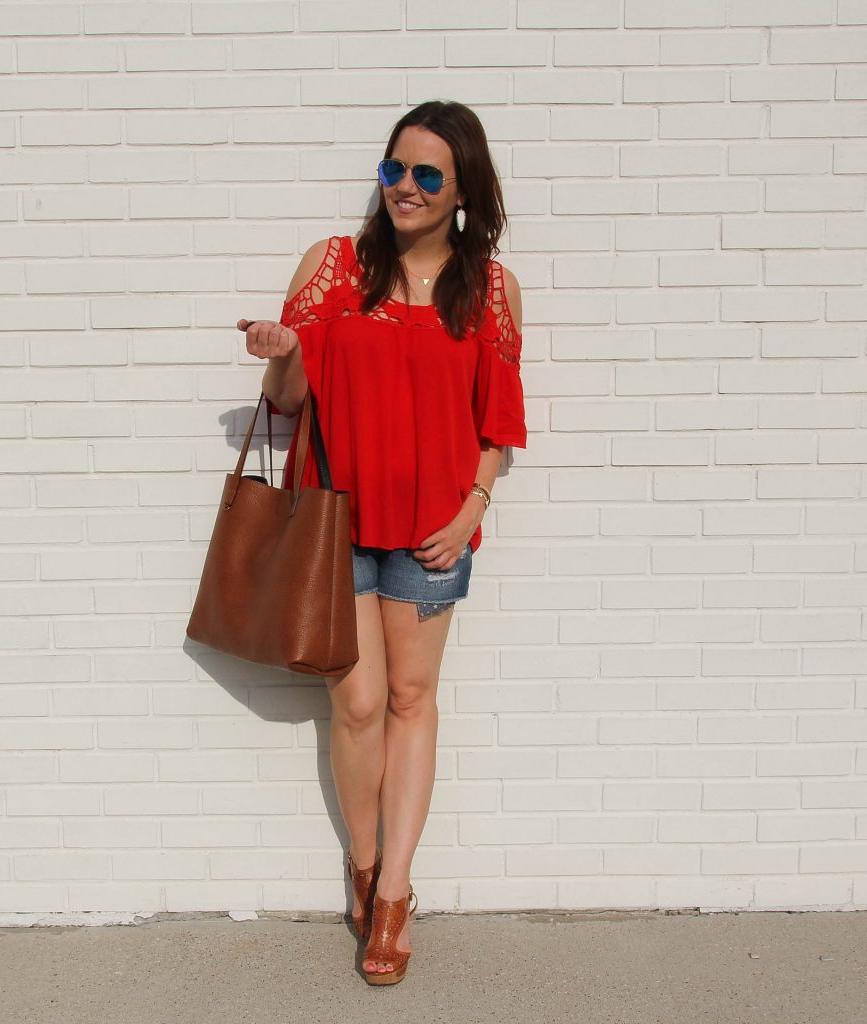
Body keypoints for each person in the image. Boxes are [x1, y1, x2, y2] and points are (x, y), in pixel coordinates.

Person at [237, 100, 527, 986]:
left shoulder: (491, 290)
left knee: (410, 697)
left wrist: (472, 508)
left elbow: (496, 423)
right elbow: (289, 402)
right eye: (394, 169)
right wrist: (283, 349)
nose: (405, 187)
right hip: (337, 525)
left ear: (463, 192)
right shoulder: (333, 268)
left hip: (434, 531)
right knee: (356, 704)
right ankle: (362, 864)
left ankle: (394, 895)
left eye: (428, 175)